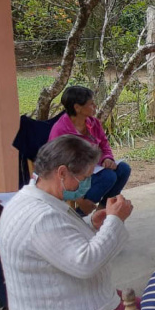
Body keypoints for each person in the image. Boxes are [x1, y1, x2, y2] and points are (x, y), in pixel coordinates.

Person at [0, 135, 137, 310]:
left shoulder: (33, 199)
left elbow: (58, 242)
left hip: (58, 305)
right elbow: (85, 263)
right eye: (84, 176)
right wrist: (114, 222)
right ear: (62, 173)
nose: (85, 184)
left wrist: (90, 222)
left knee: (138, 308)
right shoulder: (40, 217)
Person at [48, 86, 131, 215]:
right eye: (91, 104)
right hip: (73, 179)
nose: (95, 106)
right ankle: (80, 212)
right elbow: (59, 168)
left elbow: (104, 144)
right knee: (108, 177)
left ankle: (102, 210)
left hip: (94, 170)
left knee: (123, 169)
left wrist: (107, 158)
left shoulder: (94, 123)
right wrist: (80, 200)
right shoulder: (61, 131)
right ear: (77, 107)